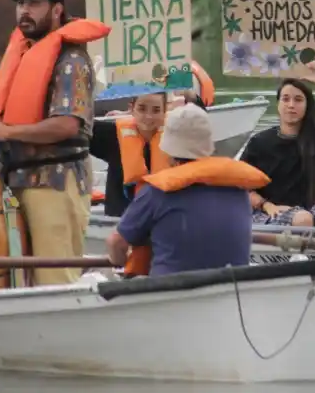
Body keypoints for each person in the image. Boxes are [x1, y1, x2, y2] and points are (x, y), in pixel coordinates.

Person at [0, 0, 111, 286]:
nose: (24, 11)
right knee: (19, 278)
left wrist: (6, 133)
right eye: (20, 4)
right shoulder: (25, 52)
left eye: (34, 4)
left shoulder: (71, 60)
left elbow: (68, 124)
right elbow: (10, 113)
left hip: (55, 182)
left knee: (55, 278)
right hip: (18, 179)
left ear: (57, 10)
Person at [107, 104, 268, 276]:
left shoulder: (156, 192)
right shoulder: (238, 188)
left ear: (168, 149)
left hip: (170, 293)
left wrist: (119, 261)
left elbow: (116, 242)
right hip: (231, 291)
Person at [241, 62, 315, 228]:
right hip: (268, 212)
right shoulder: (260, 142)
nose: (291, 105)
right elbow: (240, 186)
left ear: (307, 106)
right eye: (286, 99)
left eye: (298, 100)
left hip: (309, 209)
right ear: (278, 105)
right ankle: (304, 250)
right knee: (303, 219)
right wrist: (266, 205)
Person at [90, 89, 171, 217]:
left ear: (165, 111)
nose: (148, 116)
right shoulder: (112, 136)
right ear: (131, 109)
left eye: (156, 110)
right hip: (120, 223)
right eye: (142, 108)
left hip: (161, 220)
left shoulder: (176, 139)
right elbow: (78, 125)